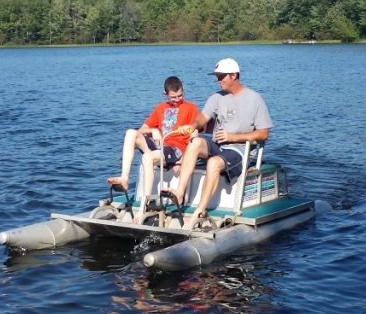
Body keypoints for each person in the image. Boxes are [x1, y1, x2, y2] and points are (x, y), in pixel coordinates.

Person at [164, 58, 272, 230]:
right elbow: (203, 118)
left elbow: (263, 133)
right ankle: (180, 192)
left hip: (240, 150)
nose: (218, 80)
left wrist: (233, 136)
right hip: (218, 146)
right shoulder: (216, 97)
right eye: (217, 76)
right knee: (195, 143)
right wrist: (192, 126)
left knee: (214, 162)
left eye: (222, 76)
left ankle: (199, 212)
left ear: (234, 76)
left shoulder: (255, 99)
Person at [107, 76, 199, 221]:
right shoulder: (160, 108)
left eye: (180, 95)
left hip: (175, 150)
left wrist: (182, 160)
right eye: (173, 96)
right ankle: (124, 178)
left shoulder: (190, 108)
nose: (177, 99)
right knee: (131, 133)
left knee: (146, 157)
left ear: (183, 91)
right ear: (165, 94)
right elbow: (143, 128)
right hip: (159, 145)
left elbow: (195, 134)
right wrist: (153, 131)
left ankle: (144, 205)